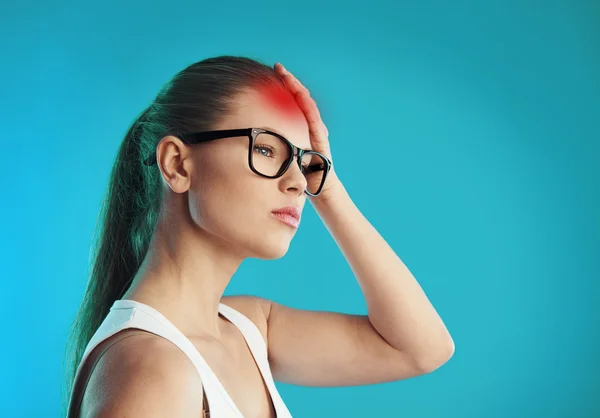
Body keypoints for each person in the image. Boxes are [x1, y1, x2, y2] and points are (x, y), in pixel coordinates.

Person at [62, 55, 455, 418]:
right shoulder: (151, 367)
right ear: (178, 164)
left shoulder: (248, 329)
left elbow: (421, 349)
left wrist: (329, 188)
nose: (299, 182)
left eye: (305, 162)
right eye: (266, 149)